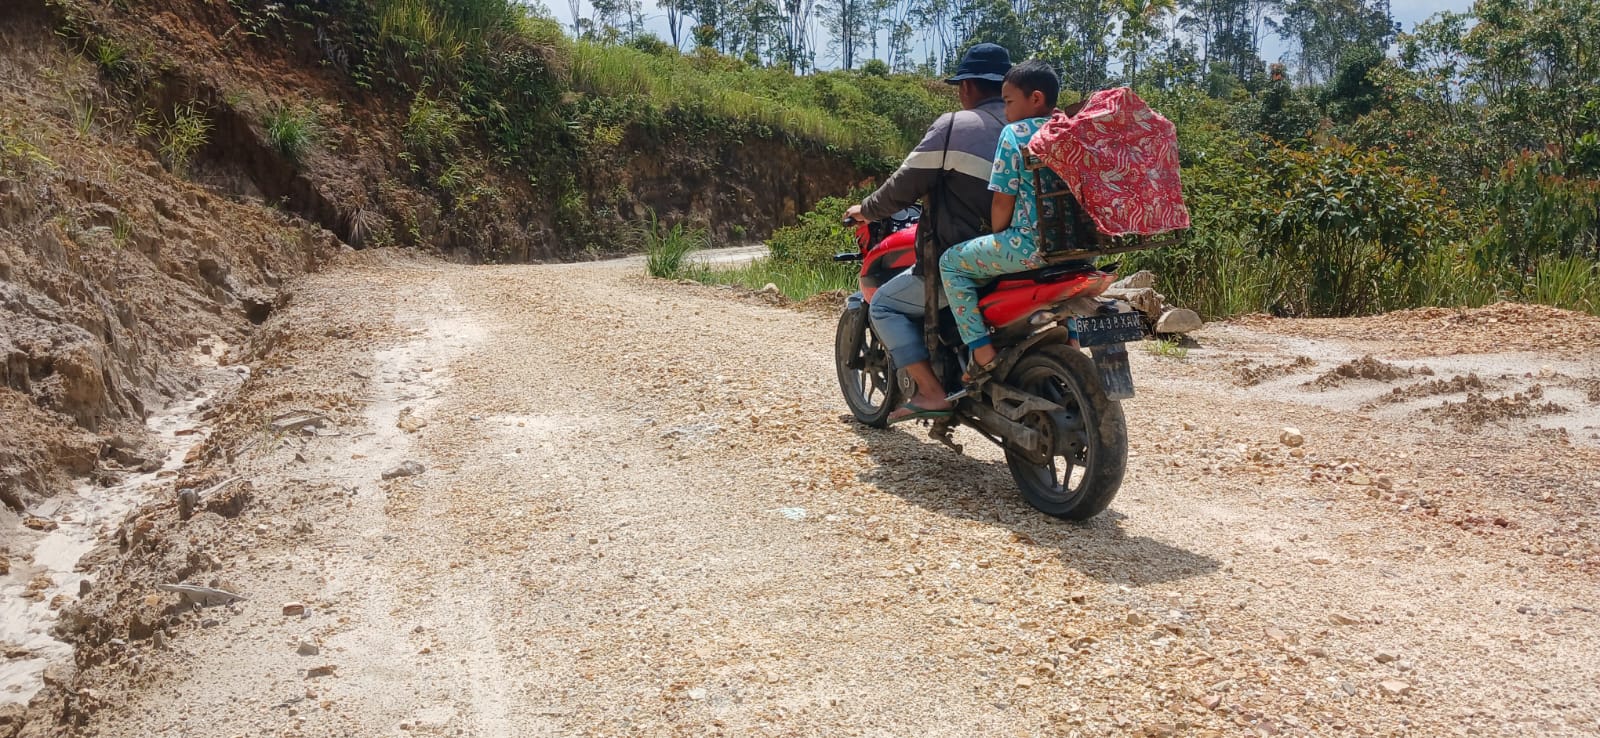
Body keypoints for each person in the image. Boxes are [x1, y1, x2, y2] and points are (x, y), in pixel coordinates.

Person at [845, 43, 1013, 425]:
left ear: (967, 87)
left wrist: (865, 210)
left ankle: (932, 391)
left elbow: (903, 186)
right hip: (1031, 256)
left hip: (971, 258)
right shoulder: (1035, 126)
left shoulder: (956, 125)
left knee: (886, 305)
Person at [938, 60, 1061, 381]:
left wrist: (997, 235)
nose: (1005, 111)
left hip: (1030, 246)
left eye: (1008, 102)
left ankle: (981, 351)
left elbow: (1003, 199)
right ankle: (1072, 342)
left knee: (950, 263)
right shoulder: (1069, 129)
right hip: (1075, 245)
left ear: (1035, 99)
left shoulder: (1015, 134)